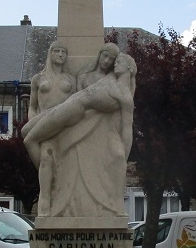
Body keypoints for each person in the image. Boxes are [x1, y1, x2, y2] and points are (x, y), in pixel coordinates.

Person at [24, 49, 137, 218]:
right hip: (72, 106)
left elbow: (127, 128)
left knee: (29, 138)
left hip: (74, 111)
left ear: (130, 68)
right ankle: (50, 182)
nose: (114, 64)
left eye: (118, 61)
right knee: (27, 135)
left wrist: (123, 155)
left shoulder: (124, 95)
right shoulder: (110, 81)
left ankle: (49, 190)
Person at [22, 41, 76, 213]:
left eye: (64, 52)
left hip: (62, 123)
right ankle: (46, 198)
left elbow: (75, 103)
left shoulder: (70, 79)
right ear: (51, 54)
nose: (61, 55)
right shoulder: (38, 79)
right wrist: (33, 120)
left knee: (43, 153)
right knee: (43, 156)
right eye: (57, 51)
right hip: (43, 120)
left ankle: (47, 201)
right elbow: (32, 105)